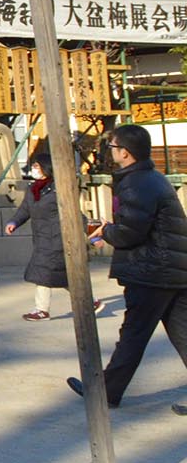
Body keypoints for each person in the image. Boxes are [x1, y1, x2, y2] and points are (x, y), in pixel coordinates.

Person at [65, 125, 187, 409]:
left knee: (133, 335)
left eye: (112, 147)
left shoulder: (137, 183)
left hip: (152, 271)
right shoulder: (152, 178)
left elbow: (131, 232)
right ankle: (108, 391)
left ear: (126, 153)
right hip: (171, 268)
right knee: (182, 332)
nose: (109, 152)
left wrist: (106, 232)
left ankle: (107, 393)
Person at [5, 150, 102, 321]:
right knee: (60, 275)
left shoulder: (58, 189)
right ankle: (90, 302)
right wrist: (14, 222)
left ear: (46, 168)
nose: (33, 169)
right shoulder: (33, 189)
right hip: (42, 238)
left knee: (43, 272)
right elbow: (24, 210)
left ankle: (42, 310)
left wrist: (93, 235)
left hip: (58, 239)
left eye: (36, 166)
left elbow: (76, 214)